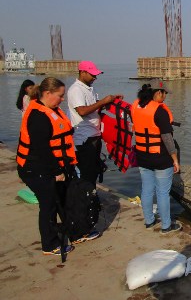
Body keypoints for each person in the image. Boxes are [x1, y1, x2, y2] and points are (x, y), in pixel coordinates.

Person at [16, 77, 77, 256]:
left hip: (47, 167)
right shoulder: (38, 116)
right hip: (35, 169)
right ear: (47, 93)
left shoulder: (51, 110)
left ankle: (69, 230)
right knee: (48, 205)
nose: (62, 99)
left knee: (58, 201)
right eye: (60, 95)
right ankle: (50, 245)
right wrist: (57, 171)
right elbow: (42, 149)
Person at [131, 79, 181, 234]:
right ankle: (166, 226)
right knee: (162, 193)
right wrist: (175, 160)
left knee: (146, 190)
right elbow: (167, 138)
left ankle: (149, 221)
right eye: (164, 93)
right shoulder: (159, 111)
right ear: (158, 92)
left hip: (142, 155)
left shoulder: (135, 106)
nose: (165, 96)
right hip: (160, 158)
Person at [67, 61, 121, 185]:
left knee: (93, 171)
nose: (95, 77)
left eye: (96, 75)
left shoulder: (89, 88)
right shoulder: (76, 90)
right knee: (87, 172)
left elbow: (93, 107)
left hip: (94, 135)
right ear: (82, 72)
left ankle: (90, 196)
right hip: (84, 138)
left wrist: (110, 102)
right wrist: (102, 101)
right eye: (92, 75)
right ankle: (85, 199)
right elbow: (82, 111)